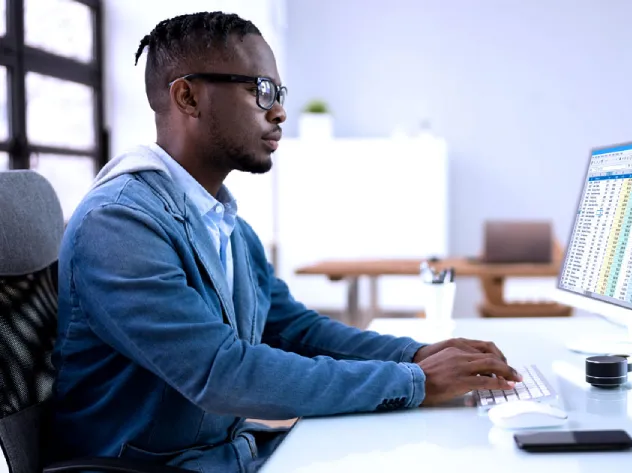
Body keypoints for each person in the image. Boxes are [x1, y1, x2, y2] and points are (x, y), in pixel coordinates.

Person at [51, 11, 520, 472]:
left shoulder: (224, 223)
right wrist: (416, 381)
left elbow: (297, 331)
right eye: (260, 90)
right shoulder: (118, 223)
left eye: (278, 92)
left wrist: (415, 355)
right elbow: (222, 373)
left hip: (227, 454)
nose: (278, 110)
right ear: (188, 97)